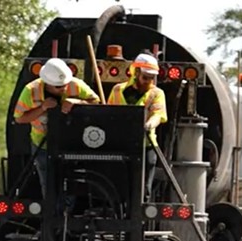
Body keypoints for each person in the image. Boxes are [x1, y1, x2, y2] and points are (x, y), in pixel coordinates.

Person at [14, 58, 100, 197]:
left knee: (71, 182)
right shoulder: (30, 91)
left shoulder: (76, 85)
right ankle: (51, 213)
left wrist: (77, 101)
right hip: (42, 144)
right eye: (59, 87)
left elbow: (97, 103)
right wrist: (42, 107)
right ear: (47, 83)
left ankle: (68, 213)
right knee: (48, 183)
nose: (64, 88)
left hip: (71, 143)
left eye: (65, 84)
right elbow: (19, 118)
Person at [107, 53, 168, 197]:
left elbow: (159, 114)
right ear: (136, 72)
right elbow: (109, 112)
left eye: (151, 78)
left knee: (143, 188)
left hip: (146, 146)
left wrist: (149, 125)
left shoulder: (156, 93)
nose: (148, 81)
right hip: (121, 146)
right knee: (119, 186)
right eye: (145, 77)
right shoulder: (118, 90)